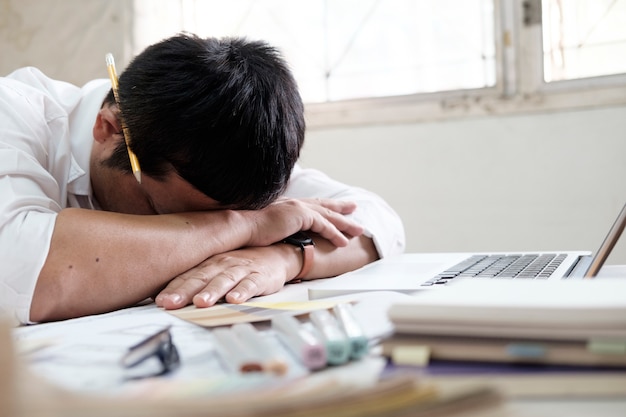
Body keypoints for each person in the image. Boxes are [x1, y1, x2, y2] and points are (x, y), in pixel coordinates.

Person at [0, 34, 405, 325]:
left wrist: (284, 257)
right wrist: (246, 226)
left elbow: (378, 221)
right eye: (170, 215)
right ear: (108, 129)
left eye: (232, 212)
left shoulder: (219, 149)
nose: (200, 227)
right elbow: (19, 269)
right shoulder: (14, 113)